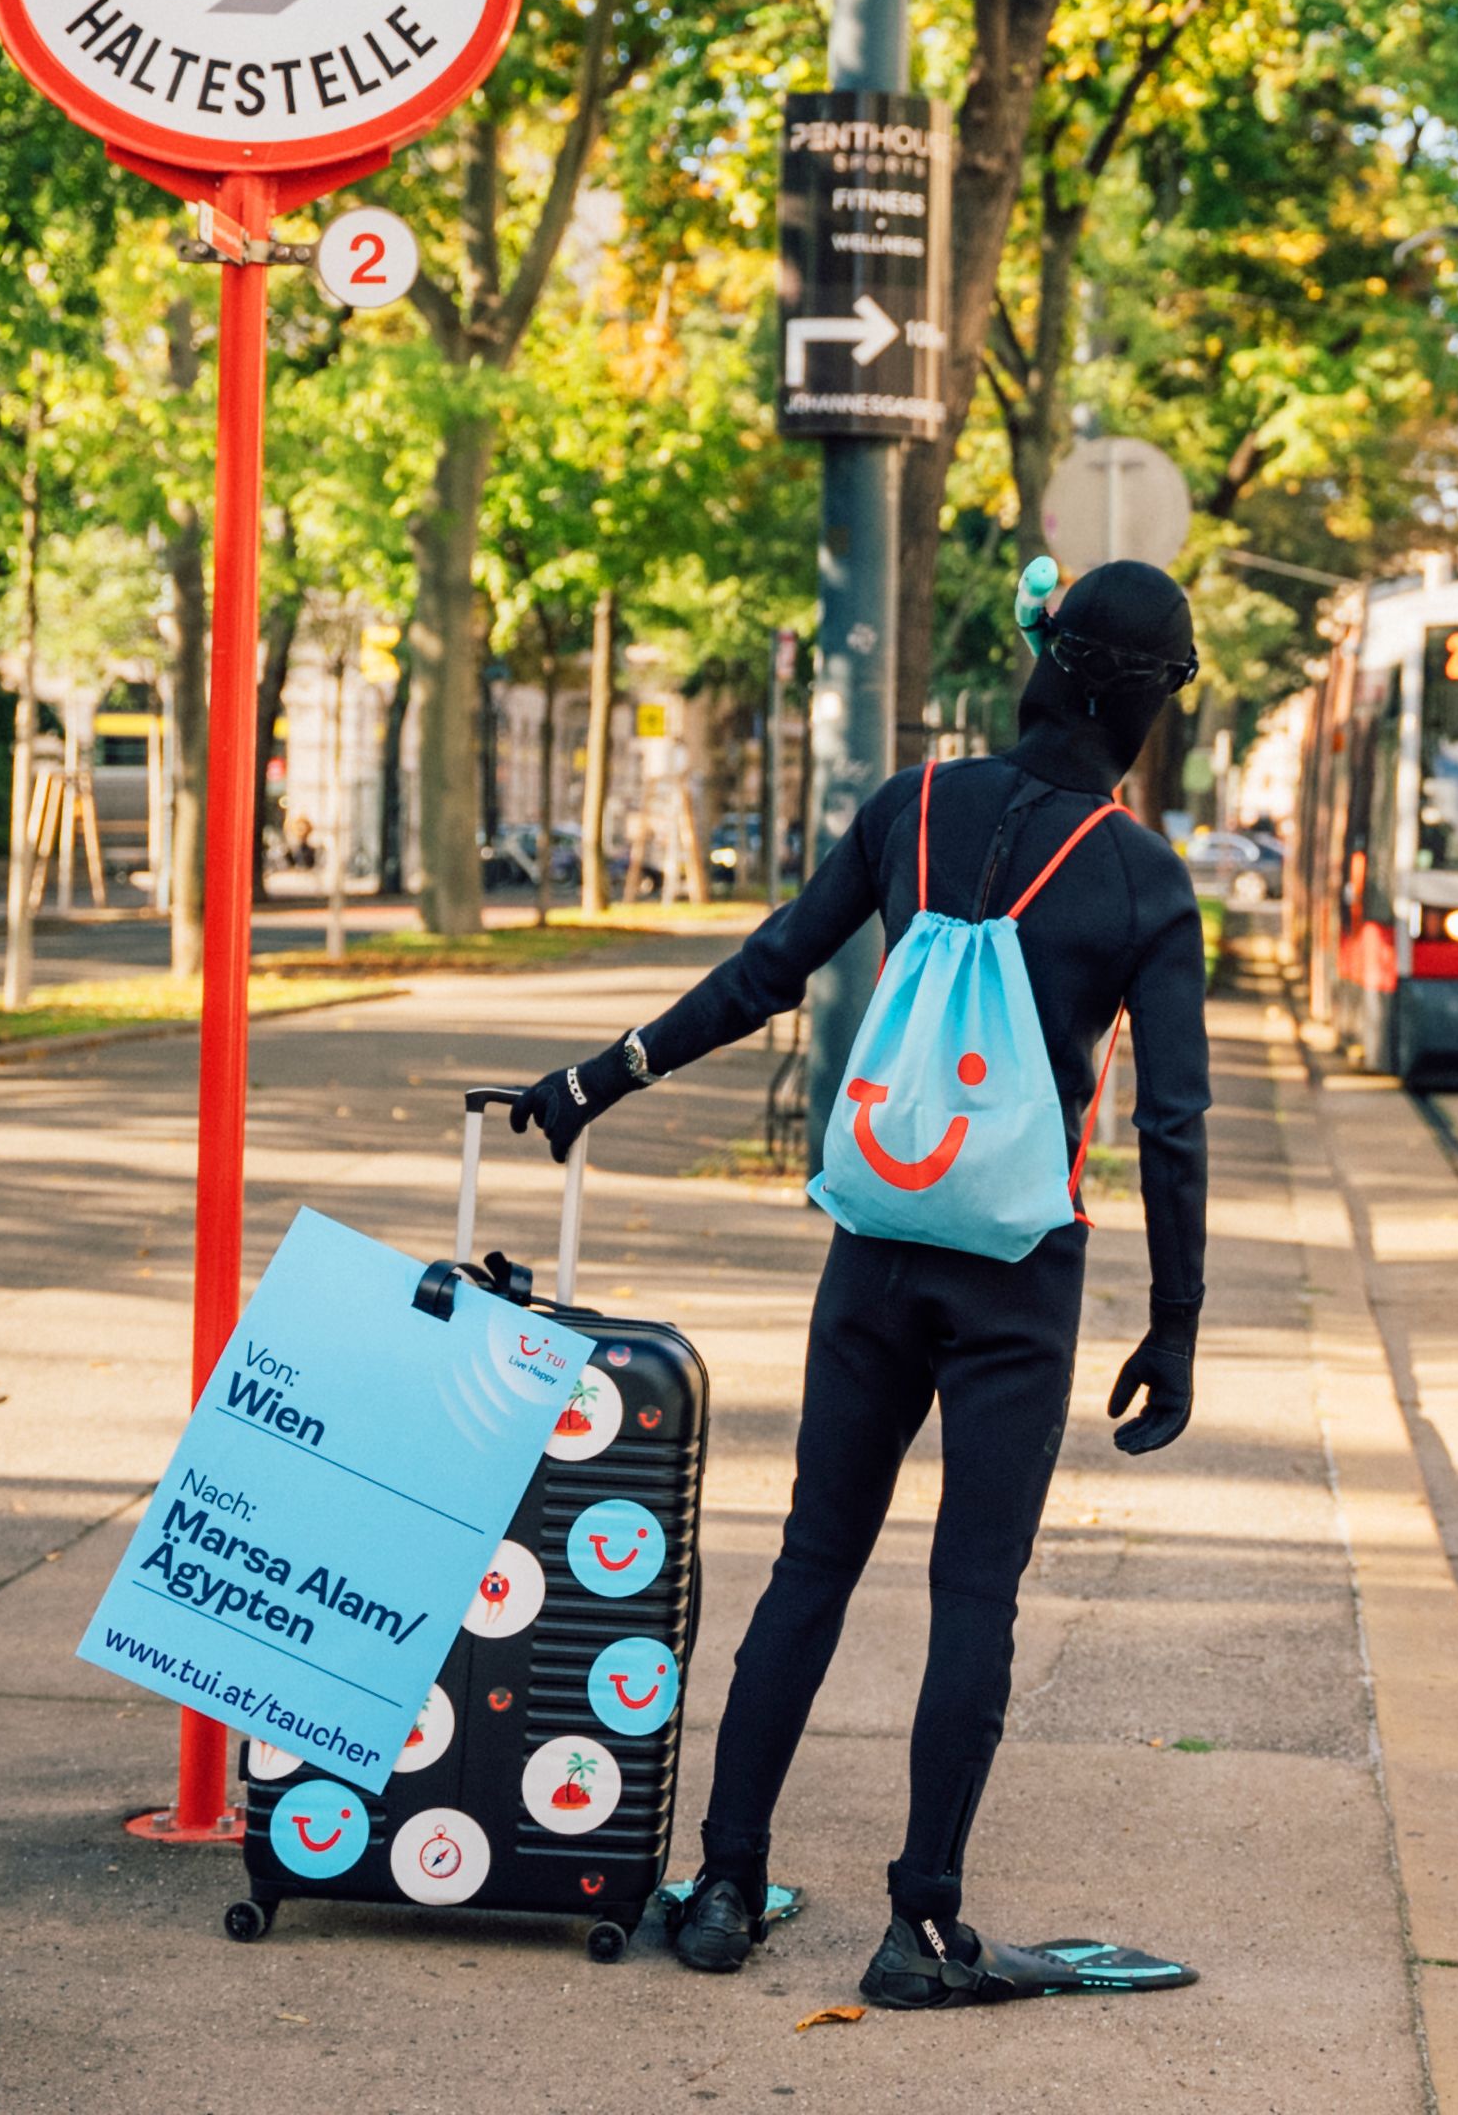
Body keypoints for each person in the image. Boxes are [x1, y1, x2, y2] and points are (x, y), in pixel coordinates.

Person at [512, 557, 1210, 2009]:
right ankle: (922, 1927)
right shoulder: (1142, 877)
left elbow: (767, 972)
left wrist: (602, 1076)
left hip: (873, 1256)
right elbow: (1174, 1127)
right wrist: (1176, 1326)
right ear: (1143, 699)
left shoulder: (912, 806)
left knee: (813, 1562)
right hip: (1019, 1280)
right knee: (974, 1592)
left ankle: (718, 1887)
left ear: (1041, 660)